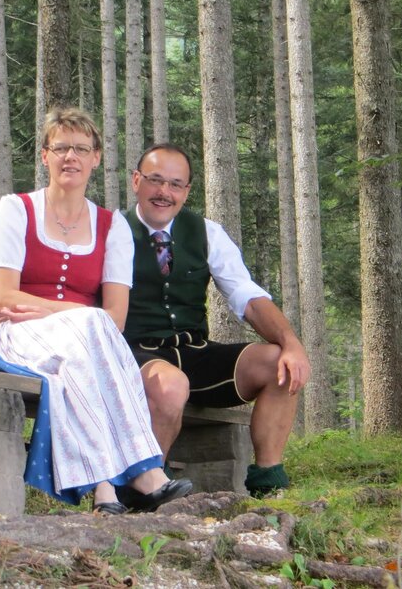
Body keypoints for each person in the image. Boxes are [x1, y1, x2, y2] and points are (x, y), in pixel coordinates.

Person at [0, 109, 192, 514]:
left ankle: (106, 490)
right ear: (45, 155)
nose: (70, 157)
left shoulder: (112, 226)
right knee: (90, 327)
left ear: (96, 158)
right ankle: (143, 473)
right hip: (20, 334)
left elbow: (116, 318)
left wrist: (67, 314)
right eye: (61, 147)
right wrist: (75, 312)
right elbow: (5, 298)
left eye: (81, 149)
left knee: (86, 344)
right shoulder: (15, 210)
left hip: (84, 340)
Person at [123, 143, 311, 496]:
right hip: (136, 355)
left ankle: (268, 485)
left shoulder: (207, 232)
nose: (164, 192)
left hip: (193, 353)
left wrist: (291, 343)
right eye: (155, 180)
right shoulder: (111, 231)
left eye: (175, 184)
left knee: (279, 363)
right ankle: (144, 491)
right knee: (169, 385)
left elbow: (247, 296)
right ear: (136, 181)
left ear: (187, 191)